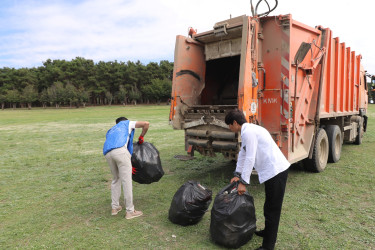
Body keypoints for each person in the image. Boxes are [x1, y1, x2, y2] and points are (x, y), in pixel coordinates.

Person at [225, 109, 290, 250]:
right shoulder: (249, 130)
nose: (230, 129)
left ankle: (268, 246)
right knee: (269, 206)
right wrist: (237, 173)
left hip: (277, 171)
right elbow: (243, 154)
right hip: (273, 172)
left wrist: (243, 182)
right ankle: (268, 232)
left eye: (229, 125)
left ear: (235, 123)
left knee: (272, 210)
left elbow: (250, 157)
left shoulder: (248, 132)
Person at [103, 116, 149, 219]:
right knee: (126, 181)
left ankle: (115, 208)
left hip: (108, 153)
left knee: (116, 179)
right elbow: (146, 124)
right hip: (120, 152)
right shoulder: (126, 123)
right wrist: (142, 136)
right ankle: (130, 211)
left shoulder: (111, 130)